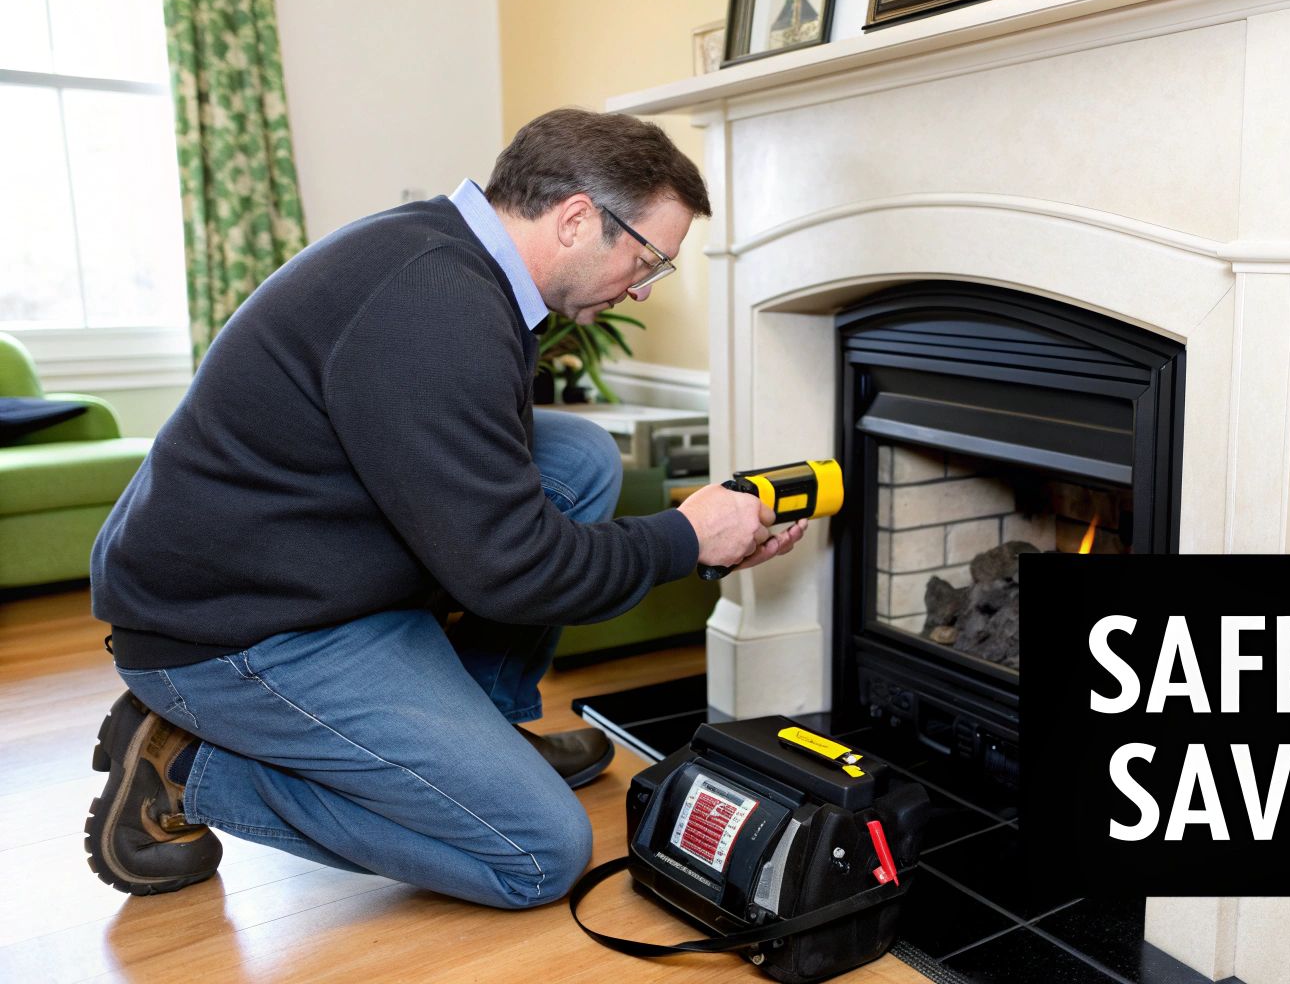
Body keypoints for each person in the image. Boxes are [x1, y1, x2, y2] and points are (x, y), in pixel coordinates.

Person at [82, 109, 804, 908]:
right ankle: (190, 769)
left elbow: (494, 518)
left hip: (297, 568)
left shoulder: (455, 260)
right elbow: (516, 571)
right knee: (537, 855)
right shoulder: (433, 304)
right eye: (648, 259)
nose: (641, 285)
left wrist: (696, 537)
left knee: (578, 456)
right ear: (575, 219)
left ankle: (485, 729)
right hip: (230, 631)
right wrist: (686, 537)